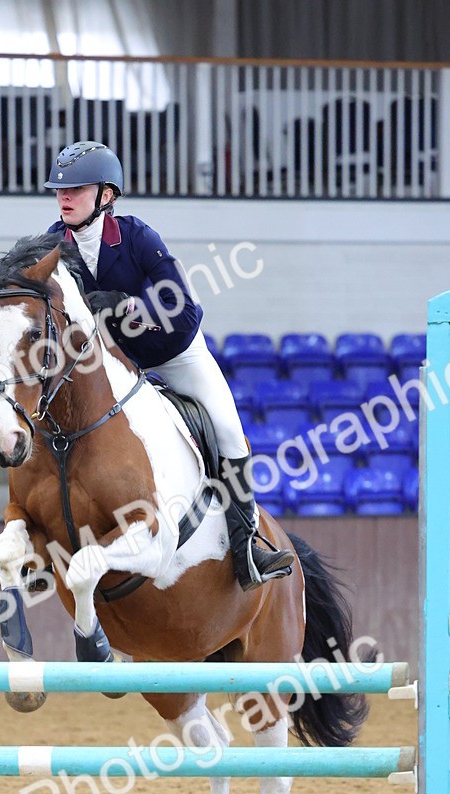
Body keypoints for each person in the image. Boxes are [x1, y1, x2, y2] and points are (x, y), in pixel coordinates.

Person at [45, 141, 293, 592]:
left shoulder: (139, 237)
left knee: (229, 430)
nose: (64, 197)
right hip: (110, 366)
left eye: (77, 189)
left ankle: (248, 546)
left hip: (172, 352)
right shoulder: (53, 245)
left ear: (106, 196)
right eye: (60, 190)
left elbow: (183, 309)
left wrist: (127, 307)